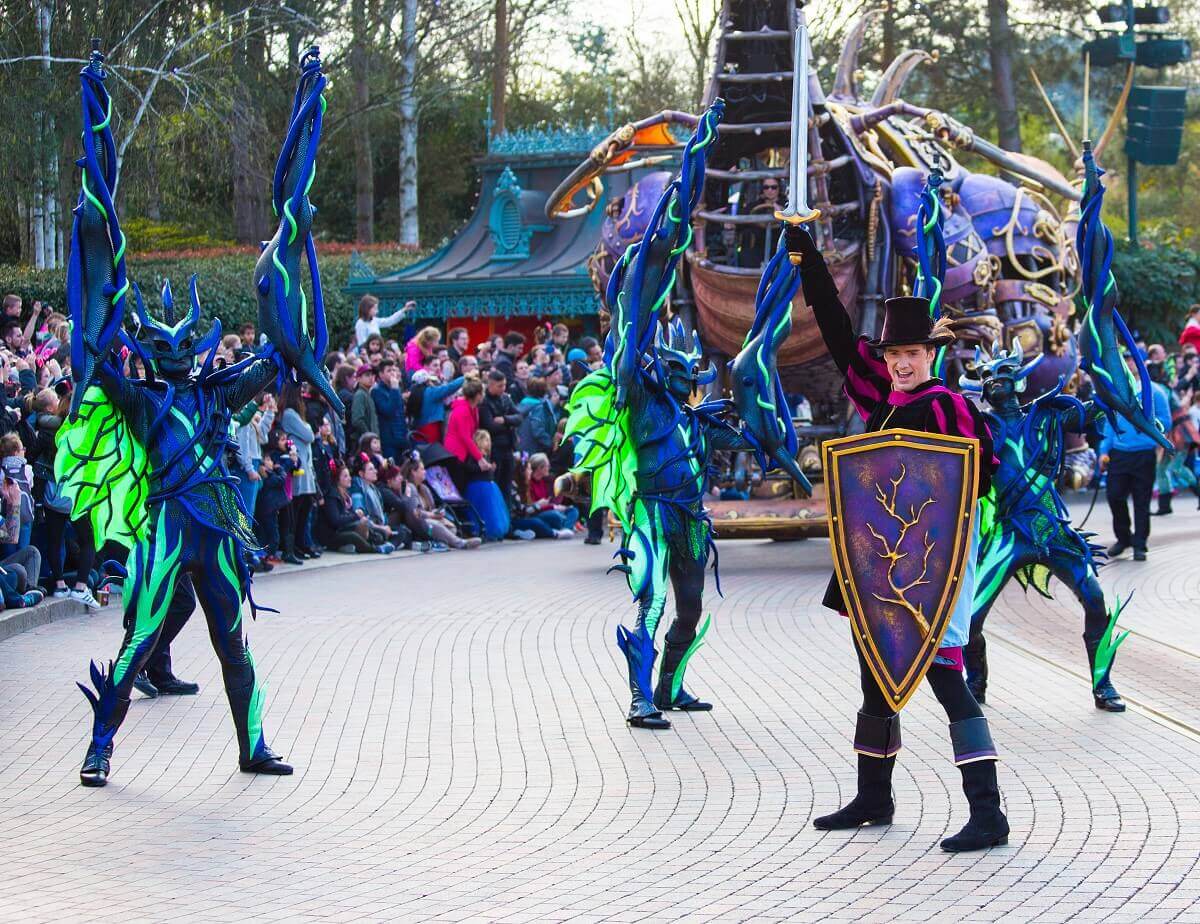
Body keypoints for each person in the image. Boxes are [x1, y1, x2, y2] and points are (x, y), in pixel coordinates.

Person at [794, 226, 1007, 853]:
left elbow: (977, 477)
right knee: (874, 675)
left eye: (910, 353)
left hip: (930, 570)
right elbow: (836, 333)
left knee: (946, 678)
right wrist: (807, 260)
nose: (901, 364)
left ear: (929, 353)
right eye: (893, 357)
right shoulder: (884, 402)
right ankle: (874, 796)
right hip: (881, 567)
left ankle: (989, 813)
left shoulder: (948, 407)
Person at [1099, 353, 1172, 561]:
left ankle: (1140, 544)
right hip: (1119, 454)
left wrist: (1147, 425)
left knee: (1142, 501)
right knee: (1114, 496)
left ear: (1141, 363)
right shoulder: (1116, 392)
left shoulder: (1155, 392)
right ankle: (1123, 538)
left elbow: (1166, 422)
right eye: (1125, 360)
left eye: (1132, 360)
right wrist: (1103, 451)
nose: (1128, 364)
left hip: (1143, 454)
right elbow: (1109, 423)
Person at [278, 382, 321, 559]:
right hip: (298, 468)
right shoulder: (289, 414)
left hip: (305, 467)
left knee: (305, 509)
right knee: (296, 510)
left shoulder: (295, 414)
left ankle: (302, 544)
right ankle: (293, 546)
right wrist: (309, 427)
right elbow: (310, 435)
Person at [320, 462, 393, 553]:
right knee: (353, 536)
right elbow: (336, 521)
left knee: (380, 534)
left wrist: (360, 518)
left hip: (346, 528)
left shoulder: (347, 495)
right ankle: (375, 549)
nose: (350, 479)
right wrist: (355, 516)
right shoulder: (332, 496)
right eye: (345, 476)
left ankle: (352, 547)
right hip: (333, 534)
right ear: (338, 479)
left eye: (349, 476)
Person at [479, 369, 522, 504]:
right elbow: (490, 425)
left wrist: (505, 420)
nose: (503, 388)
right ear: (490, 385)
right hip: (494, 448)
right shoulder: (484, 402)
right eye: (500, 386)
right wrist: (510, 424)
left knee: (507, 486)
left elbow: (519, 417)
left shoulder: (505, 399)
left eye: (504, 385)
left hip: (508, 447)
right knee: (496, 484)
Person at [409, 366, 464, 445]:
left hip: (419, 428)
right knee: (433, 452)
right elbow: (450, 387)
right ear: (427, 381)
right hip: (431, 428)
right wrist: (465, 377)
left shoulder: (413, 393)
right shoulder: (431, 392)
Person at [371, 358, 409, 461]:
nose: (392, 373)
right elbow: (389, 411)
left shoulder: (395, 389)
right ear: (381, 374)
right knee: (392, 470)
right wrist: (395, 389)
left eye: (393, 370)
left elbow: (400, 413)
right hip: (389, 441)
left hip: (401, 437)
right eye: (389, 371)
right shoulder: (377, 391)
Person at [517, 377, 558, 455]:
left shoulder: (523, 404)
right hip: (536, 449)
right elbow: (537, 430)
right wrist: (551, 443)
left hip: (524, 447)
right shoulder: (539, 407)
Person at [348, 364, 380, 450]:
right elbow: (357, 420)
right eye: (367, 375)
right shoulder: (360, 395)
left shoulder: (367, 393)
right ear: (358, 378)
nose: (371, 378)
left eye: (373, 375)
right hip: (363, 443)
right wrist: (369, 437)